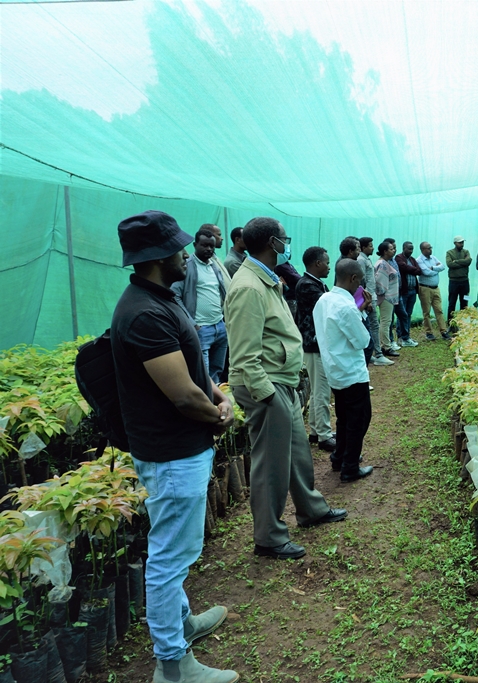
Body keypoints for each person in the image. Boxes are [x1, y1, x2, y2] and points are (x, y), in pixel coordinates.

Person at [111, 210, 237, 683]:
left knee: (175, 551)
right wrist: (217, 416)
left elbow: (194, 369)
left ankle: (181, 623)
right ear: (159, 256)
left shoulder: (160, 298)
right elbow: (182, 394)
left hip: (180, 449)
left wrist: (217, 393)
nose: (187, 253)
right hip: (172, 455)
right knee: (168, 558)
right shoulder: (144, 314)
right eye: (179, 248)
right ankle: (172, 664)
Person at [224, 217, 347, 561]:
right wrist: (266, 394)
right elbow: (244, 354)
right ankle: (268, 537)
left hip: (280, 380)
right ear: (272, 243)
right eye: (284, 239)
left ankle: (311, 509)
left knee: (296, 452)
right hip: (265, 384)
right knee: (271, 465)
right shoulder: (248, 287)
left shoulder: (265, 278)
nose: (287, 244)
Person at [314, 259, 375, 483]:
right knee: (359, 419)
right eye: (359, 282)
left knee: (344, 417)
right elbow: (362, 340)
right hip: (351, 372)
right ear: (353, 278)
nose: (360, 286)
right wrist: (362, 312)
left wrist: (359, 310)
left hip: (334, 370)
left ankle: (339, 457)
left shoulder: (324, 300)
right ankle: (350, 467)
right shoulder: (347, 306)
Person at [171, 228, 229, 383]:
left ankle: (215, 397)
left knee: (217, 370)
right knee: (202, 374)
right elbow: (175, 295)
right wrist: (192, 323)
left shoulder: (213, 266)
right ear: (195, 245)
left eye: (211, 246)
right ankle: (206, 397)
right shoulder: (187, 266)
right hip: (201, 329)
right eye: (204, 245)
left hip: (219, 326)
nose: (209, 249)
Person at [294, 246, 335, 452]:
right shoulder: (308, 286)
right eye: (327, 263)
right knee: (322, 391)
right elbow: (329, 309)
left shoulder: (314, 283)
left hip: (315, 344)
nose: (329, 267)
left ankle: (316, 431)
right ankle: (324, 435)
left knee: (318, 389)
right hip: (313, 344)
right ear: (317, 263)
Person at [356, 237, 392, 366]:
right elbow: (361, 282)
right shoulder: (361, 260)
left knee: (371, 325)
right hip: (368, 299)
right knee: (373, 325)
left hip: (371, 297)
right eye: (370, 246)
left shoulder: (366, 259)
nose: (373, 248)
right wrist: (368, 300)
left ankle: (371, 353)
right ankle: (378, 354)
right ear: (364, 247)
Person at [416, 241, 450, 340]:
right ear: (423, 250)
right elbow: (426, 272)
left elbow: (443, 267)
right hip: (425, 288)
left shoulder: (433, 258)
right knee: (426, 312)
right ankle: (429, 333)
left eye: (431, 247)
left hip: (435, 288)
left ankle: (443, 331)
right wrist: (437, 270)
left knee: (439, 310)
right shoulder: (419, 260)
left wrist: (433, 268)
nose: (431, 250)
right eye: (428, 248)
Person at [374, 241, 402, 355]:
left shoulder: (385, 262)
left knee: (386, 321)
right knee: (386, 322)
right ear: (385, 251)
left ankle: (385, 345)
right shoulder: (383, 264)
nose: (394, 250)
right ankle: (386, 347)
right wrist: (383, 294)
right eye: (391, 249)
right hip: (386, 298)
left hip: (388, 297)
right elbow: (380, 282)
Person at [395, 241, 422, 347]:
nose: (411, 251)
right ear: (404, 248)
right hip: (404, 291)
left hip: (413, 291)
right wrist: (412, 269)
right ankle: (401, 337)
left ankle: (406, 336)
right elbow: (403, 267)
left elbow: (419, 271)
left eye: (412, 249)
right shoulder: (399, 258)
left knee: (408, 314)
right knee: (402, 314)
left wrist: (411, 269)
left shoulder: (412, 260)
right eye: (409, 249)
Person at [446, 236, 473, 321]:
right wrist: (463, 262)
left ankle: (464, 322)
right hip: (454, 282)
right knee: (452, 303)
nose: (462, 244)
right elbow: (450, 264)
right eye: (460, 243)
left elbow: (469, 261)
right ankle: (450, 322)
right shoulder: (449, 252)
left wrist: (457, 261)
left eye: (462, 242)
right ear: (455, 243)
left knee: (465, 301)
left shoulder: (466, 251)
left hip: (465, 282)